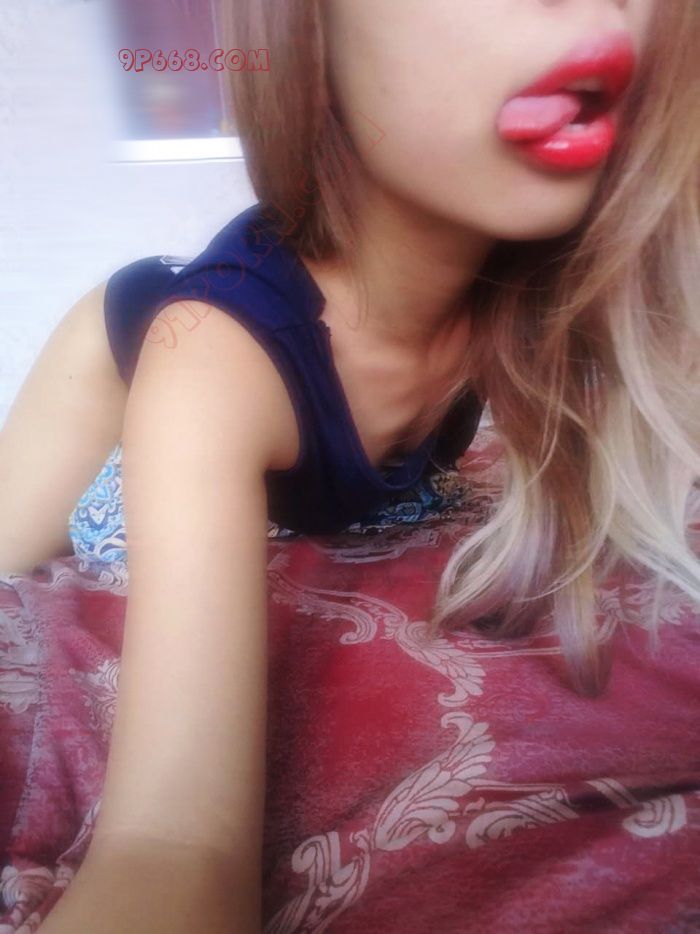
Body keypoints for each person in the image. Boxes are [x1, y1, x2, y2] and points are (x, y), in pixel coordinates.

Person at [0, 0, 696, 930]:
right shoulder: (208, 354)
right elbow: (172, 846)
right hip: (125, 353)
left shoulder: (535, 295)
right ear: (306, 27)